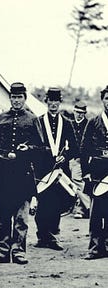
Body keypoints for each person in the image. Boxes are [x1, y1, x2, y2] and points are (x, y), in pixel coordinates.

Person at [0, 82, 43, 265]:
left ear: (24, 99)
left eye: (20, 97)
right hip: (3, 175)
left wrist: (28, 148)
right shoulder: (1, 118)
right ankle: (3, 252)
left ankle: (18, 251)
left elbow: (41, 148)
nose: (16, 100)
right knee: (2, 216)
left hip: (23, 175)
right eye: (13, 97)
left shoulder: (32, 119)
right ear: (10, 98)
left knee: (21, 217)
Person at [34, 88, 78, 251]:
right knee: (43, 202)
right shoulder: (38, 122)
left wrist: (65, 156)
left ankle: (51, 235)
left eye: (56, 101)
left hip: (60, 170)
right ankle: (42, 236)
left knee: (55, 203)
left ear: (60, 103)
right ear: (46, 102)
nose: (53, 104)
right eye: (50, 101)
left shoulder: (67, 123)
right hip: (43, 169)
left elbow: (74, 147)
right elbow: (33, 145)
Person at [81, 86, 108, 260]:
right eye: (107, 98)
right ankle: (96, 248)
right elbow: (84, 149)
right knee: (97, 211)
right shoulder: (93, 122)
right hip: (98, 171)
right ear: (102, 100)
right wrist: (86, 172)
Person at [70, 101, 90, 219]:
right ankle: (80, 209)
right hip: (69, 159)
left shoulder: (88, 125)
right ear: (74, 111)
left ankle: (89, 207)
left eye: (82, 113)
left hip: (82, 160)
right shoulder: (70, 124)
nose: (79, 115)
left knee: (77, 181)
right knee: (74, 184)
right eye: (77, 112)